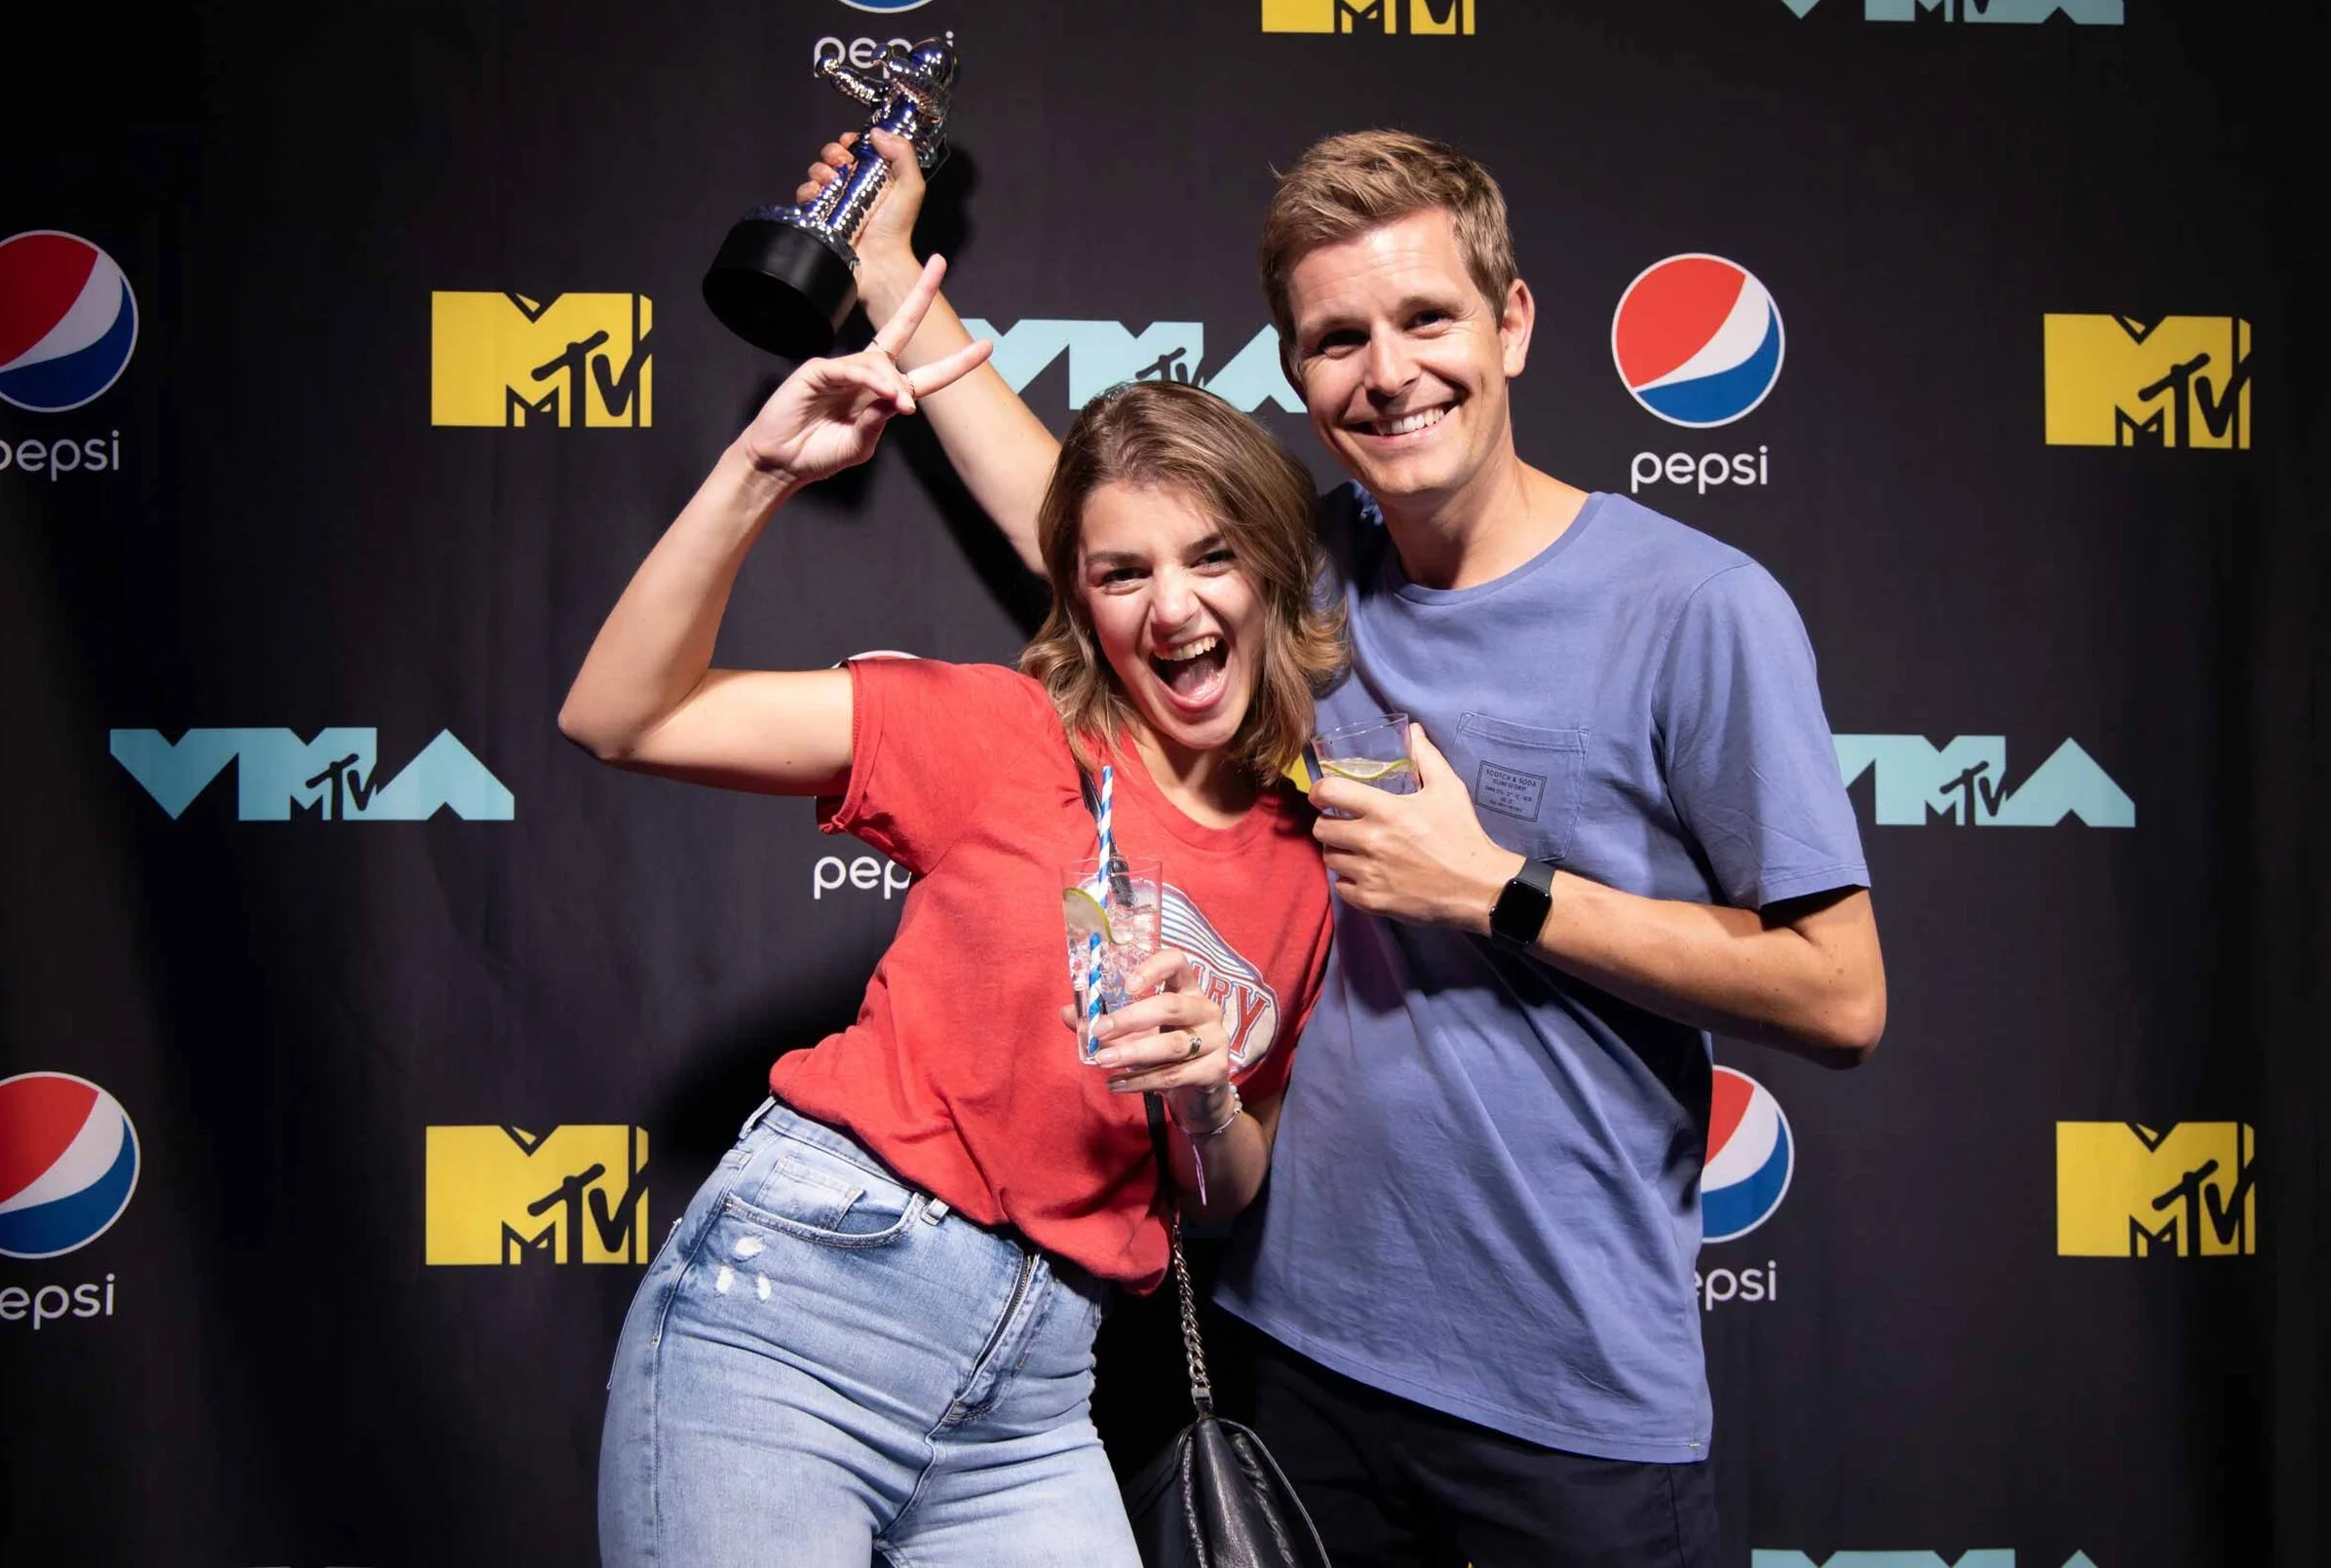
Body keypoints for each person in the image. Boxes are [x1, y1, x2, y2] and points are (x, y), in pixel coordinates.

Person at [807, 127, 1888, 1566]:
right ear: (1298, 371)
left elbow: (1841, 993)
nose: (1389, 373)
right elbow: (1076, 520)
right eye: (1338, 340)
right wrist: (891, 276)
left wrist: (1499, 891)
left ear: (1511, 323)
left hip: (1568, 1393)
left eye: (1427, 318)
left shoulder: (1696, 608)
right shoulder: (1301, 580)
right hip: (1294, 1354)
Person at [557, 257, 1344, 1568]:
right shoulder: (1001, 732)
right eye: (1123, 573)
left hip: (1037, 1399)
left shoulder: (1303, 866)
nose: (1174, 606)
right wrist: (760, 469)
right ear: (1081, 602)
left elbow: (1223, 1185)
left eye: (1213, 556)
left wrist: (1209, 1094)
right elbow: (620, 715)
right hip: (799, 1316)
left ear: (1270, 569)